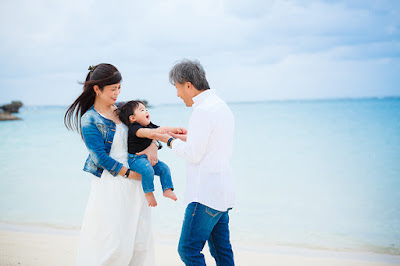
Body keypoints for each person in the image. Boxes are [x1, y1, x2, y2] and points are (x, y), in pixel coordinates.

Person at [64, 64, 156, 266]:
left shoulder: (124, 110)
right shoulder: (90, 119)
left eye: (119, 88)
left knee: (140, 240)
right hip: (113, 183)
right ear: (97, 89)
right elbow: (100, 158)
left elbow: (149, 131)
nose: (117, 93)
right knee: (115, 244)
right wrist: (131, 174)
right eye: (113, 89)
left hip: (137, 182)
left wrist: (153, 146)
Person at [153, 59, 236, 265]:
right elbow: (209, 143)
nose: (178, 94)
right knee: (222, 251)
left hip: (205, 194)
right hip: (222, 193)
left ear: (188, 85)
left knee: (188, 250)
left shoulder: (202, 111)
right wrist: (179, 136)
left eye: (178, 88)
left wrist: (169, 141)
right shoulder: (220, 105)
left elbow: (194, 154)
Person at [118, 100, 181, 207]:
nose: (146, 111)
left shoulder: (150, 125)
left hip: (146, 159)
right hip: (135, 159)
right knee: (148, 170)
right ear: (132, 118)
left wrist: (176, 130)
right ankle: (148, 193)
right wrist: (155, 133)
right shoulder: (135, 128)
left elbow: (162, 129)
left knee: (164, 168)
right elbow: (144, 133)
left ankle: (167, 189)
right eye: (142, 110)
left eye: (146, 109)